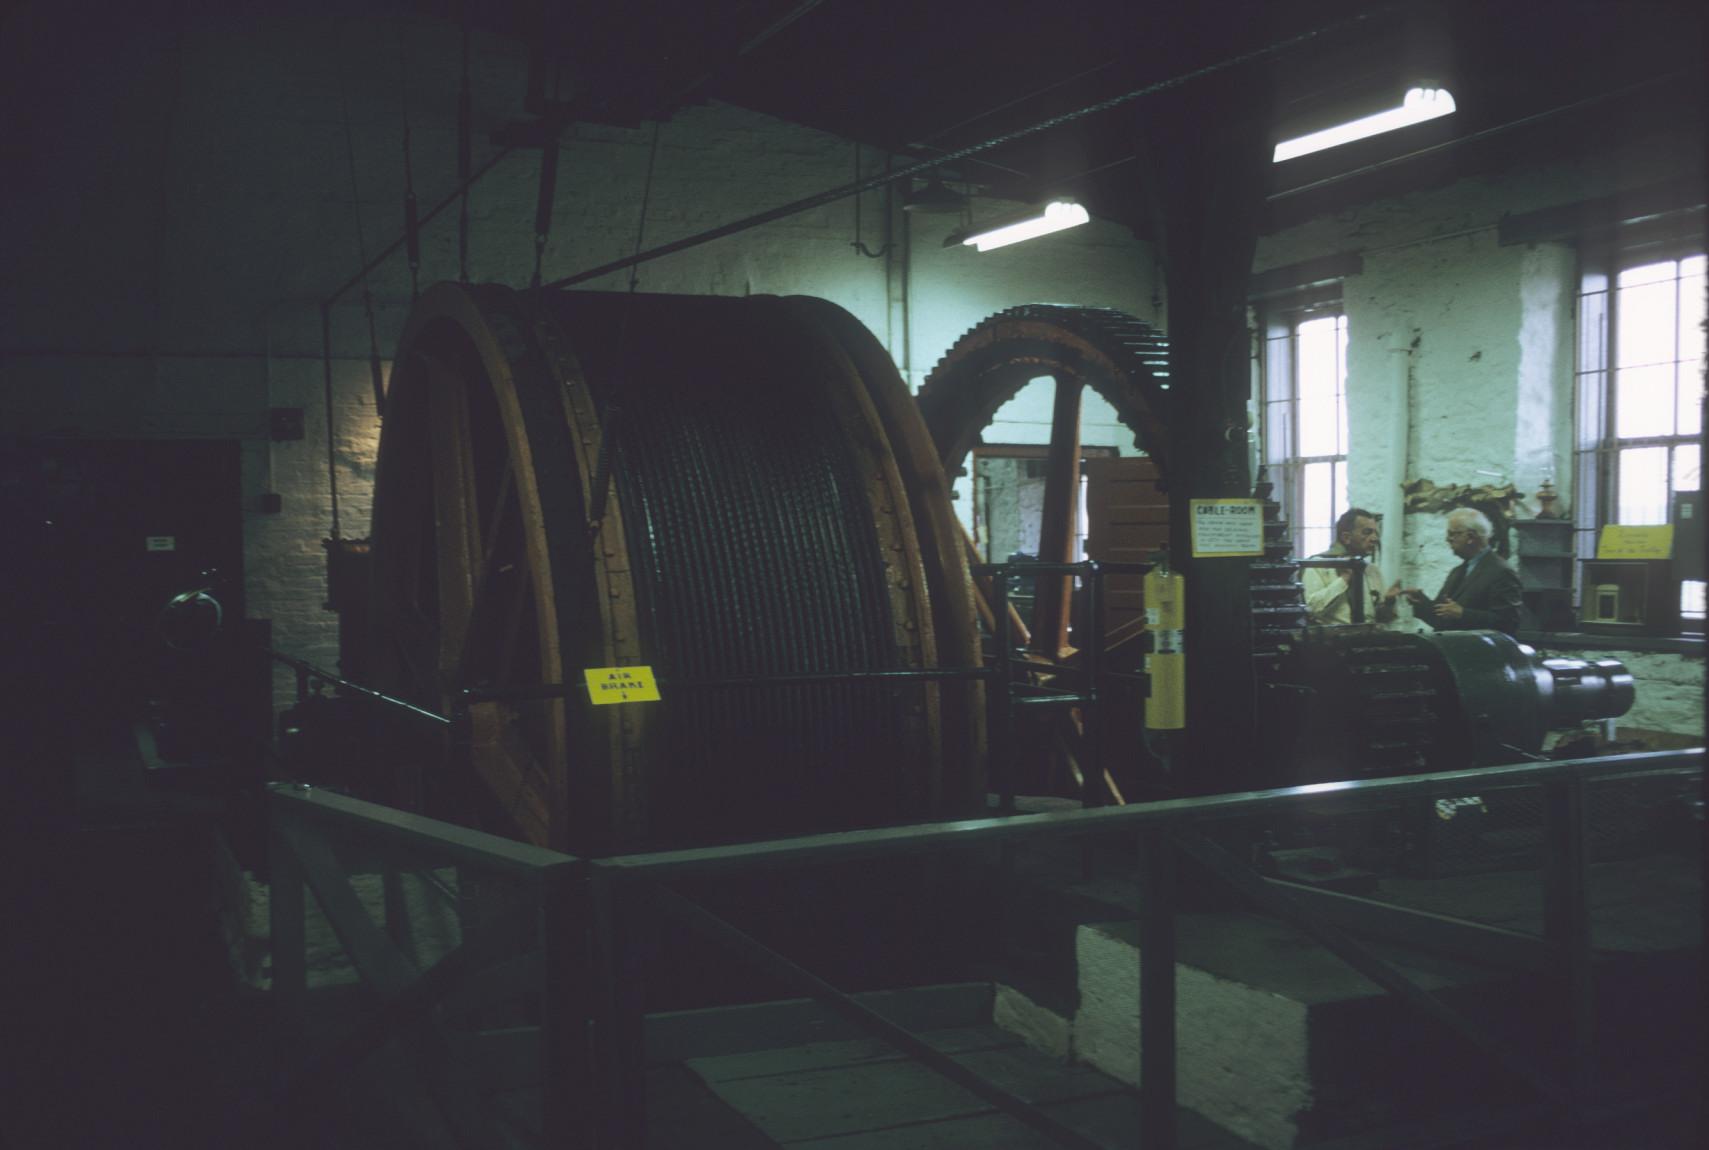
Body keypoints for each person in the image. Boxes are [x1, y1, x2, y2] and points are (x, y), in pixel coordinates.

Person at [1405, 507, 1523, 636]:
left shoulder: (1501, 572)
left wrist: (1463, 614)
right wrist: (1421, 602)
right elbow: (1441, 619)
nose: (1448, 539)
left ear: (1470, 536)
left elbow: (1509, 623)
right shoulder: (1457, 572)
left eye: (1452, 534)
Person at [1303, 507, 1402, 625]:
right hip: (1332, 640)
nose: (1374, 539)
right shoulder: (1318, 565)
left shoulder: (1371, 571)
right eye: (1367, 532)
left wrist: (1389, 602)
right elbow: (1312, 609)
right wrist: (1343, 580)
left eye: (1376, 533)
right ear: (1346, 537)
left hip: (1367, 639)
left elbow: (1381, 619)